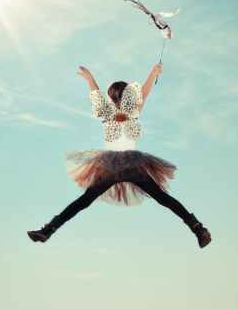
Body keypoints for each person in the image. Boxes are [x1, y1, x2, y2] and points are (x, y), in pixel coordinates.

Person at [27, 62, 211, 248]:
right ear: (128, 95)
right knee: (163, 198)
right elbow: (144, 91)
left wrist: (89, 78)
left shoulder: (107, 112)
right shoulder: (132, 110)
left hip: (111, 167)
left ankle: (48, 230)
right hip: (132, 165)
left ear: (111, 97)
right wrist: (154, 72)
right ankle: (197, 228)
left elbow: (97, 94)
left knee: (83, 201)